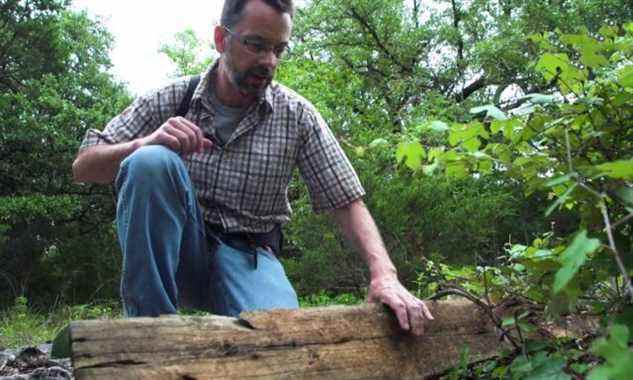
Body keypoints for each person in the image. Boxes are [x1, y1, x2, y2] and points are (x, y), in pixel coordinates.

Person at [72, 0, 433, 335]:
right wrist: (143, 142)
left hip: (250, 257)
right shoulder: (171, 98)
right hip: (179, 252)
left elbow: (346, 201)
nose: (269, 61)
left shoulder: (297, 115)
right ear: (220, 39)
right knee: (149, 162)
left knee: (284, 344)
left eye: (278, 49)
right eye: (256, 45)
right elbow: (84, 166)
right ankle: (148, 335)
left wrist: (384, 275)